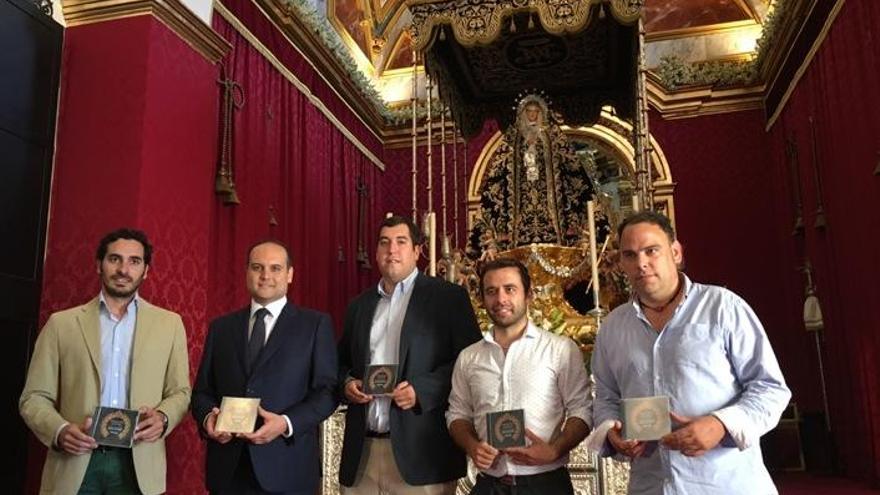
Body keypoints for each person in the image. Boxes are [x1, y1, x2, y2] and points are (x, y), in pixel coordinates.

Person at [590, 211, 791, 494]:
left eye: (651, 251)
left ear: (675, 252)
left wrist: (721, 424)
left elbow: (771, 389)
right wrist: (612, 430)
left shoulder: (723, 307)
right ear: (621, 262)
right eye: (630, 255)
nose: (642, 263)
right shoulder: (612, 327)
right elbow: (606, 397)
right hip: (651, 485)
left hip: (725, 483)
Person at [19, 228, 191, 495]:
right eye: (115, 259)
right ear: (99, 265)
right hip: (75, 463)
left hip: (138, 465)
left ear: (146, 270)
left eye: (134, 261)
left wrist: (164, 418)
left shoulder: (169, 325)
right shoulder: (61, 324)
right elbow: (33, 397)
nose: (123, 269)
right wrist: (60, 431)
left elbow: (180, 391)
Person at [338, 215, 482, 494]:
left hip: (423, 456)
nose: (392, 250)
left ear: (417, 251)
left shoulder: (448, 298)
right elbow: (340, 362)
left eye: (401, 242)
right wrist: (347, 383)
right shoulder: (359, 306)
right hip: (362, 456)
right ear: (377, 252)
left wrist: (422, 390)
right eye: (384, 243)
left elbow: (471, 362)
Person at [192, 240, 337, 494]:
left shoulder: (314, 325)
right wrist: (208, 419)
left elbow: (327, 392)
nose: (265, 275)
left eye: (275, 268)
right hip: (229, 470)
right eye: (257, 267)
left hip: (287, 468)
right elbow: (202, 392)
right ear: (247, 272)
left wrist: (285, 422)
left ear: (289, 274)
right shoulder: (221, 328)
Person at [447, 258, 591, 494]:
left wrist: (554, 450)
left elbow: (582, 409)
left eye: (510, 289)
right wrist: (473, 446)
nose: (501, 299)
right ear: (482, 300)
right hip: (489, 484)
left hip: (546, 484)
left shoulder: (559, 349)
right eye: (491, 291)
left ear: (528, 294)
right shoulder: (468, 357)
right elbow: (457, 413)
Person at [469, 94, 596, 257]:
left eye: (536, 111)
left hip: (556, 227)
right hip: (516, 230)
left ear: (542, 113)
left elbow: (576, 178)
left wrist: (584, 230)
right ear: (522, 113)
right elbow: (494, 186)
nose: (532, 115)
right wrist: (491, 237)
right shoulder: (510, 143)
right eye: (528, 111)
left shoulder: (556, 140)